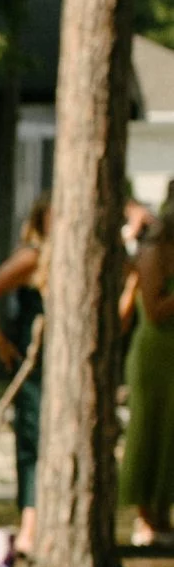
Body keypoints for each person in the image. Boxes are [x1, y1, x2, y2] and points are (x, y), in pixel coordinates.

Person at [0, 196, 46, 566]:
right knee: (34, 441)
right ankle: (29, 529)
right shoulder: (32, 257)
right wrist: (1, 343)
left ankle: (42, 526)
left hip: (57, 362)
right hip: (35, 365)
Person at [120, 201, 174, 547]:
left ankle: (163, 517)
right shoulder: (154, 251)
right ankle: (145, 520)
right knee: (149, 430)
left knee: (171, 434)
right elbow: (153, 311)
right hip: (154, 352)